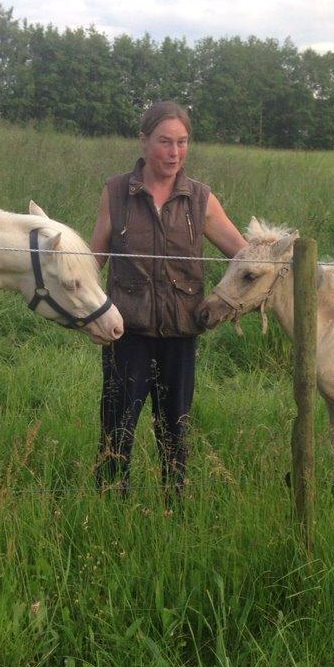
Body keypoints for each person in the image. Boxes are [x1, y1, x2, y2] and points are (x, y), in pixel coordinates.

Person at [91, 101, 246, 495]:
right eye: (164, 142)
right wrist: (86, 314)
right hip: (126, 333)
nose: (174, 153)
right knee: (117, 425)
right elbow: (93, 262)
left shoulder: (200, 200)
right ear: (143, 142)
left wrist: (274, 267)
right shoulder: (116, 194)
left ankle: (173, 503)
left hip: (181, 333)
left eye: (182, 142)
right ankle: (110, 502)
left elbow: (244, 257)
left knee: (175, 427)